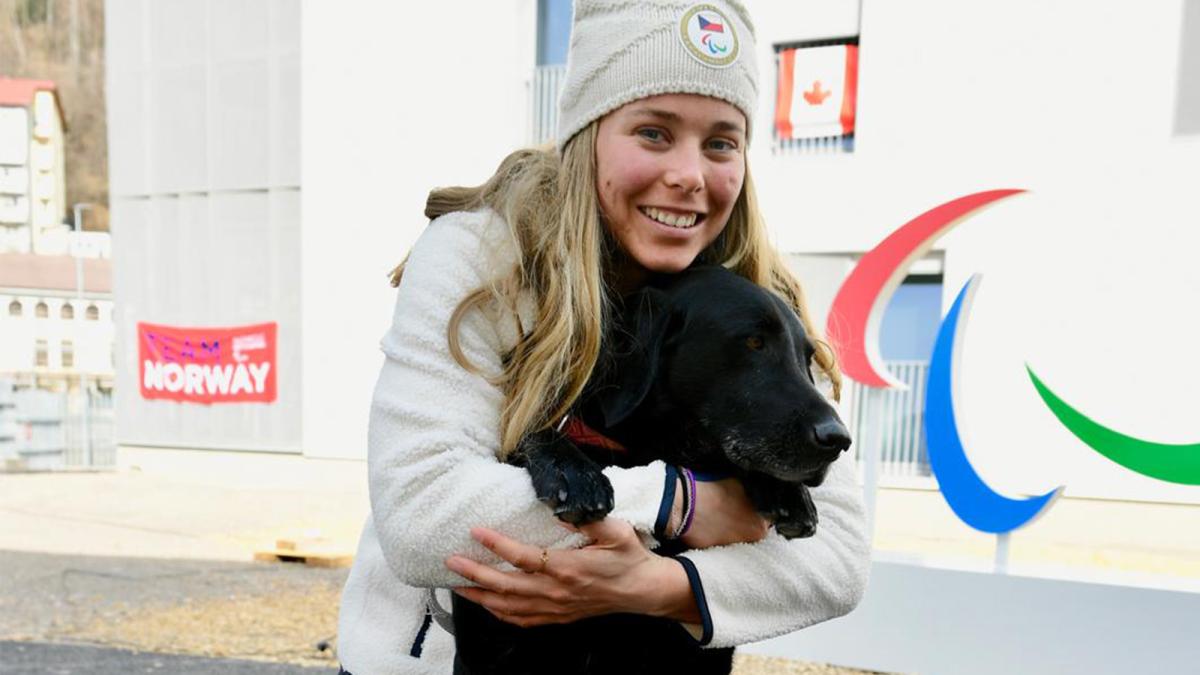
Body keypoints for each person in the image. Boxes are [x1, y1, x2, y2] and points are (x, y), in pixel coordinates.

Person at [336, 1, 871, 673]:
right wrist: (679, 504)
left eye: (721, 142)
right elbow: (423, 514)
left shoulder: (758, 302)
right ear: (588, 132)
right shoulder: (480, 256)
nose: (689, 174)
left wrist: (655, 586)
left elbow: (837, 558)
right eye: (653, 132)